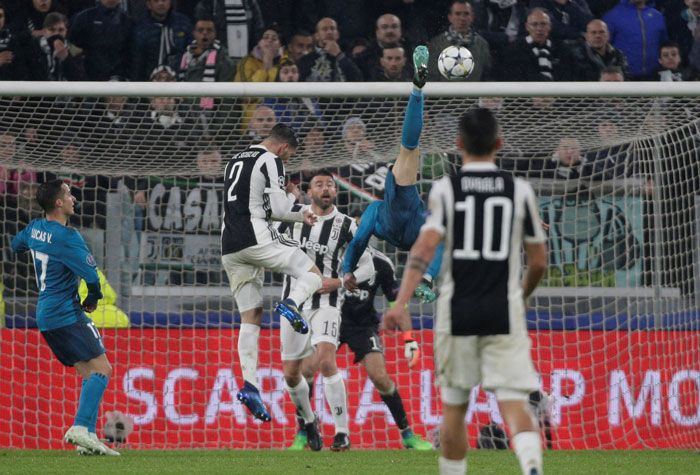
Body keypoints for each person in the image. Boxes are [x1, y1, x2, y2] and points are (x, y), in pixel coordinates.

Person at [383, 107, 548, 475]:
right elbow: (538, 261)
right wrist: (519, 298)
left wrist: (401, 302)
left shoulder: (447, 189)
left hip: (457, 310)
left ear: (458, 145)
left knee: (455, 406)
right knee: (513, 402)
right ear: (499, 144)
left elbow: (424, 249)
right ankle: (532, 467)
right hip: (503, 310)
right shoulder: (518, 190)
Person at [220, 123, 323, 422]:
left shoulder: (234, 159)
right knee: (313, 273)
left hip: (230, 245)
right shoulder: (270, 159)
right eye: (289, 156)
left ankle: (250, 385)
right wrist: (296, 205)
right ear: (282, 148)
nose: (287, 161)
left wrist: (293, 205)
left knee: (250, 315)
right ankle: (292, 304)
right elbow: (276, 209)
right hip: (257, 237)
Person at [288, 242, 433, 451]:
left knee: (380, 376)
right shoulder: (328, 257)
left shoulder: (381, 263)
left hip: (362, 325)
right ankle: (304, 431)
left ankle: (407, 434)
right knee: (307, 369)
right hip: (330, 317)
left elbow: (397, 303)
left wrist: (409, 338)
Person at [10, 179, 119, 456]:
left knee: (88, 373)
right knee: (102, 369)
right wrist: (91, 301)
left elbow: (16, 244)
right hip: (66, 312)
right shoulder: (68, 238)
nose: (73, 198)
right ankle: (81, 428)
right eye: (69, 194)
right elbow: (93, 279)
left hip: (45, 315)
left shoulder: (35, 228)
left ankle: (87, 438)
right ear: (59, 203)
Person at [278, 170, 375, 452]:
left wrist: (339, 281)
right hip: (292, 304)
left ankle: (342, 432)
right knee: (290, 374)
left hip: (327, 304)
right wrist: (288, 195)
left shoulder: (346, 225)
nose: (325, 188)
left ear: (335, 191)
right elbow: (263, 224)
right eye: (318, 184)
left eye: (329, 185)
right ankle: (309, 421)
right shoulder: (293, 215)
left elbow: (367, 264)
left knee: (326, 359)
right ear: (309, 191)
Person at [342, 45, 442, 304]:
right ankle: (427, 280)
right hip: (414, 221)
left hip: (401, 217)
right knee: (410, 147)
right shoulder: (396, 209)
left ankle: (417, 91)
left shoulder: (374, 211)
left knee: (410, 148)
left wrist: (346, 270)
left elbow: (358, 242)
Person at [426, 0, 491, 82]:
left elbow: (486, 74)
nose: (462, 18)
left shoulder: (482, 44)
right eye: (458, 14)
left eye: (466, 14)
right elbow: (431, 76)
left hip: (473, 93)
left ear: (472, 17)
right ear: (450, 17)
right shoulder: (436, 44)